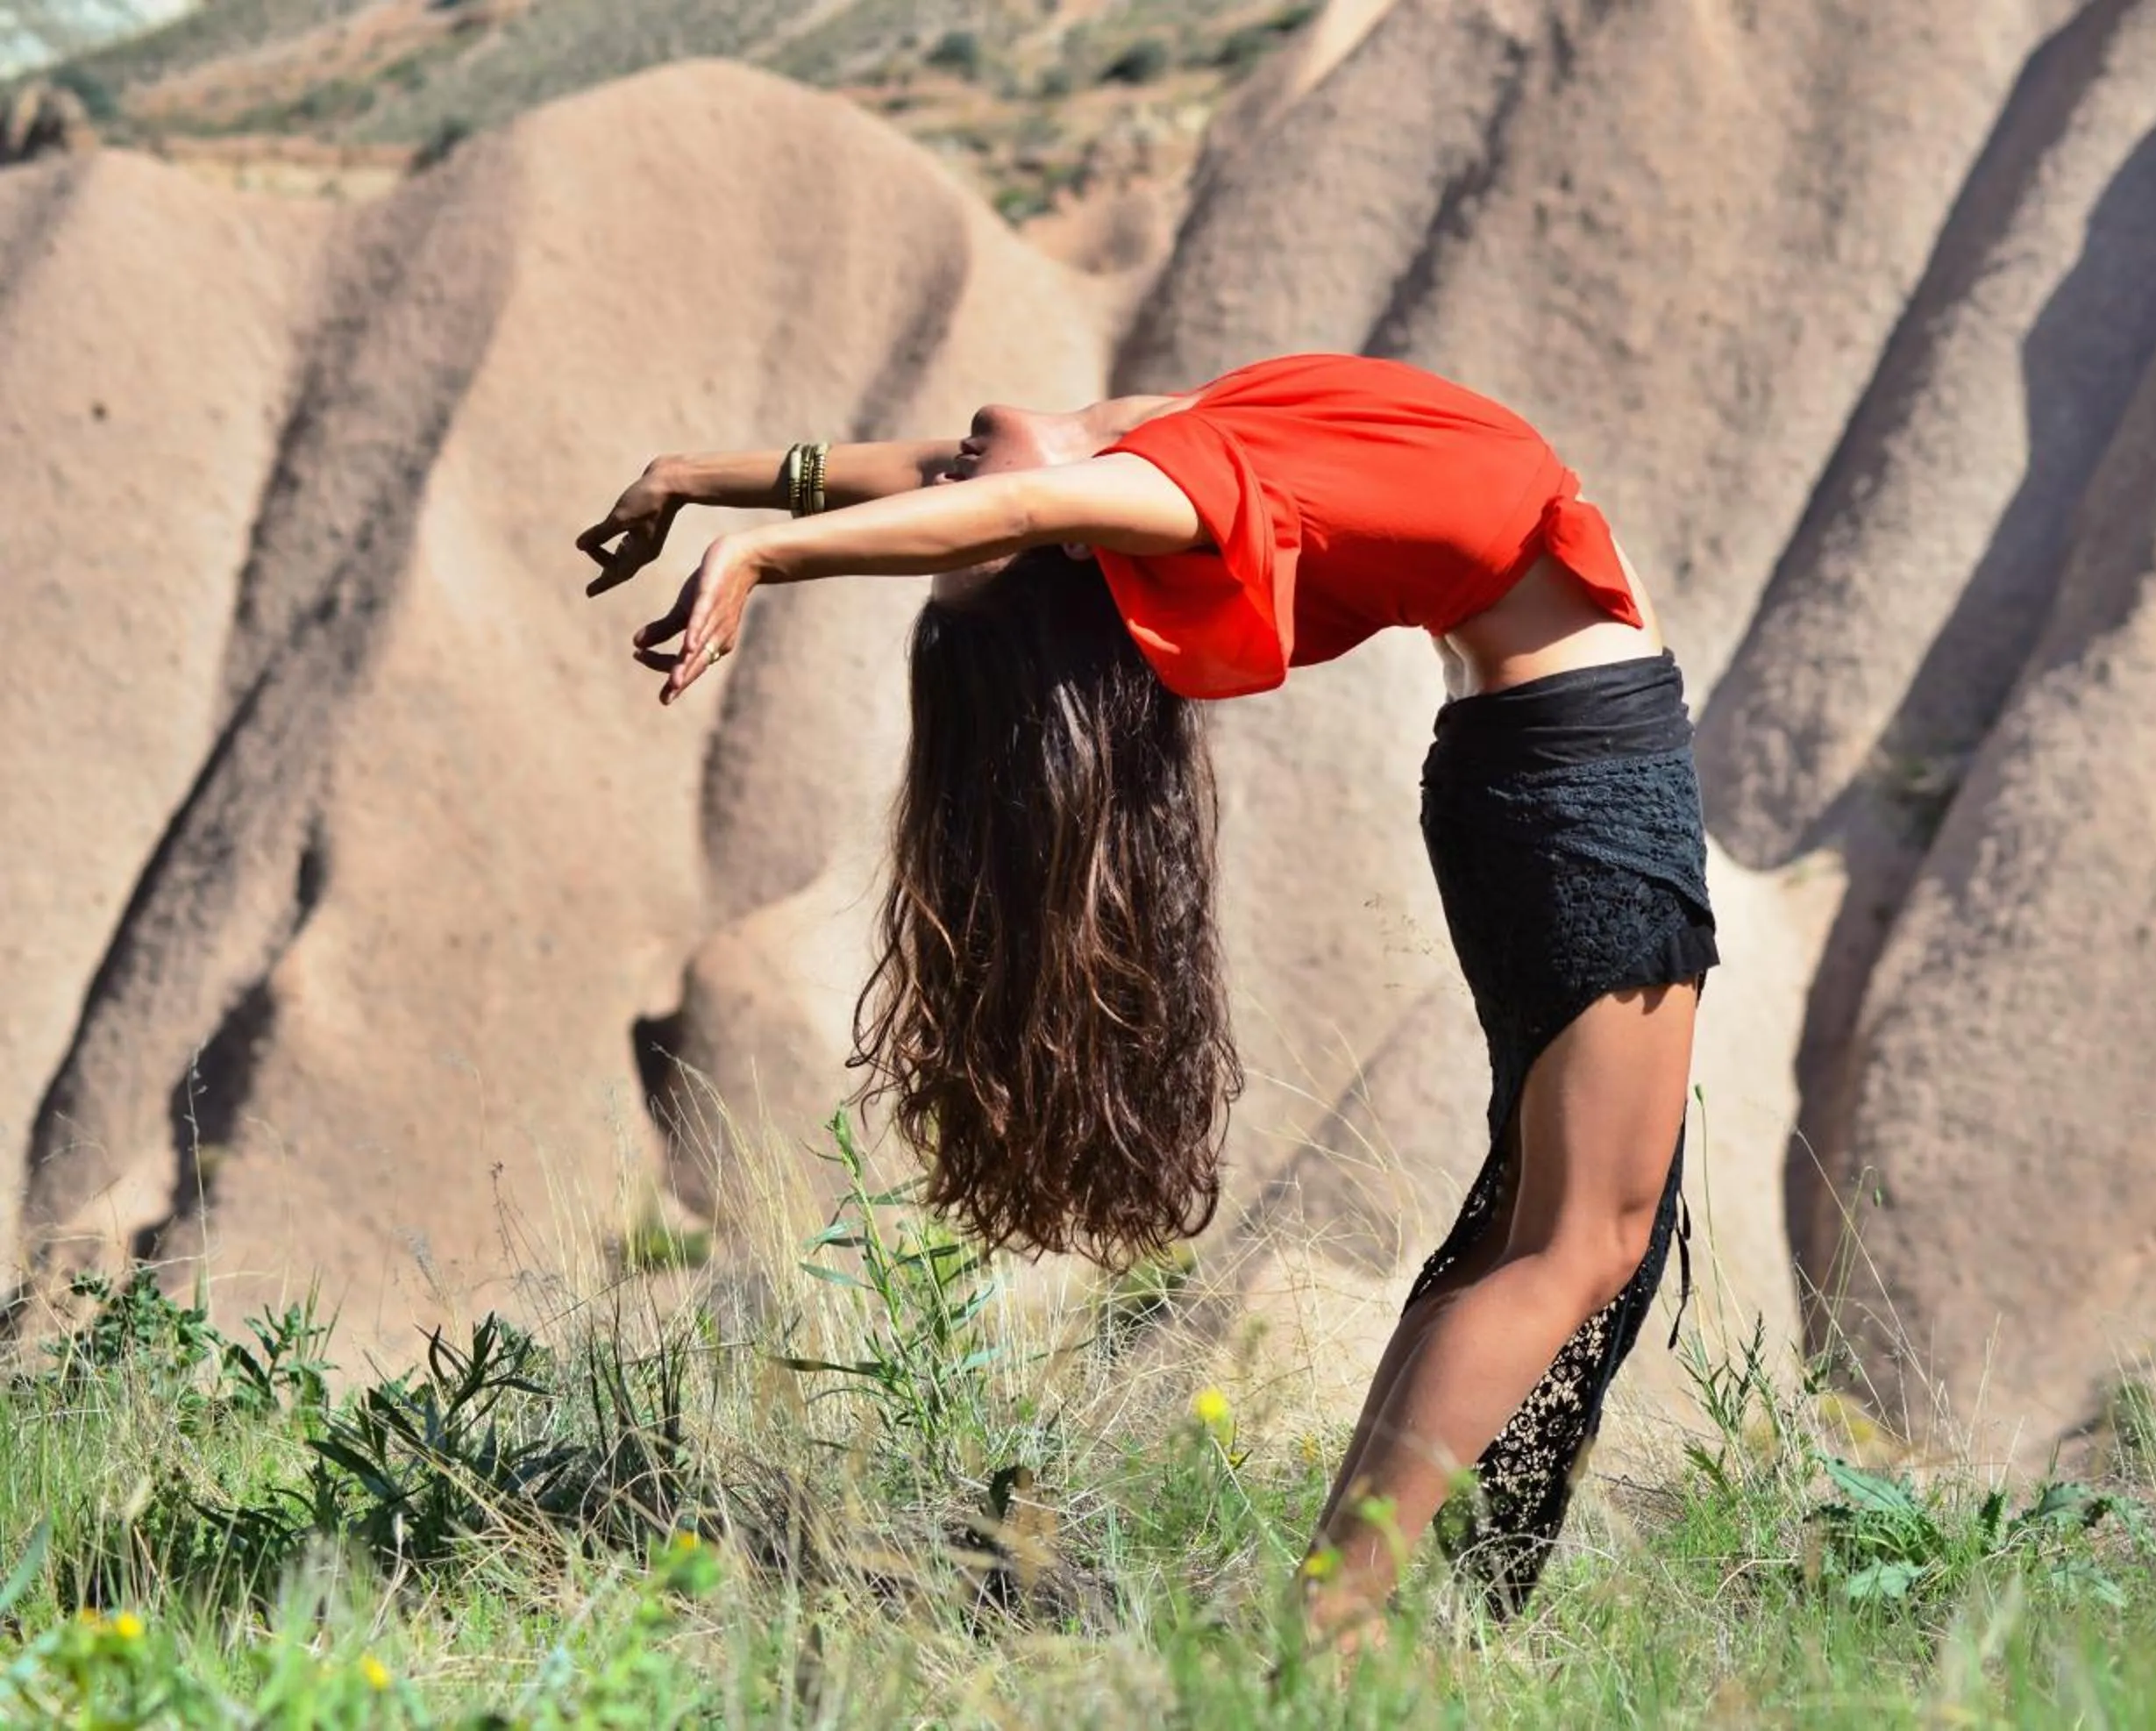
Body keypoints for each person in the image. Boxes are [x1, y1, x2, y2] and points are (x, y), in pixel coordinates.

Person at [576, 353, 1718, 1630]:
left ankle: (1334, 1618)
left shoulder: (1143, 446)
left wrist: (700, 480)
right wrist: (760, 563)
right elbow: (1007, 508)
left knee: (1532, 1228)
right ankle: (1328, 1637)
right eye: (977, 524)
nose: (951, 466)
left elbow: (948, 487)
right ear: (1076, 538)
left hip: (1558, 769)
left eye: (956, 484)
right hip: (1584, 780)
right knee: (1579, 1239)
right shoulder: (1167, 495)